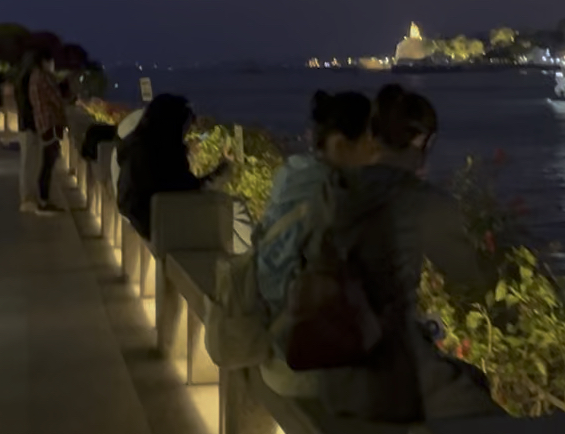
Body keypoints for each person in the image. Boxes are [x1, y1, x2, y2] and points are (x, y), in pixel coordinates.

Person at [300, 83, 500, 422]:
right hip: (387, 378)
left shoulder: (330, 190)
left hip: (327, 373)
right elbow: (473, 281)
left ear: (373, 136)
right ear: (423, 142)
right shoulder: (421, 200)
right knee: (492, 417)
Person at [254, 90, 375, 397]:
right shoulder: (337, 196)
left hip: (274, 346)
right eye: (370, 144)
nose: (376, 156)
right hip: (308, 365)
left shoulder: (291, 174)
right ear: (339, 145)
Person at [116, 94, 230, 240]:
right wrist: (225, 168)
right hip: (158, 225)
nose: (186, 132)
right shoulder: (162, 157)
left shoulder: (137, 146)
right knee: (229, 207)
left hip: (136, 215)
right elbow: (192, 189)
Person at [27, 48, 67, 214]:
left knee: (47, 161)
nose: (52, 65)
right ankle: (44, 200)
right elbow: (56, 99)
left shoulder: (34, 77)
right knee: (49, 162)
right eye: (50, 61)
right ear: (44, 62)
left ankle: (43, 198)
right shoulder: (43, 78)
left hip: (43, 124)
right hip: (50, 123)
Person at [15, 52, 42, 211]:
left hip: (25, 125)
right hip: (29, 126)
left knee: (28, 163)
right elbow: (29, 105)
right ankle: (27, 199)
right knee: (29, 163)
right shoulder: (28, 80)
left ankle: (28, 197)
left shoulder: (22, 79)